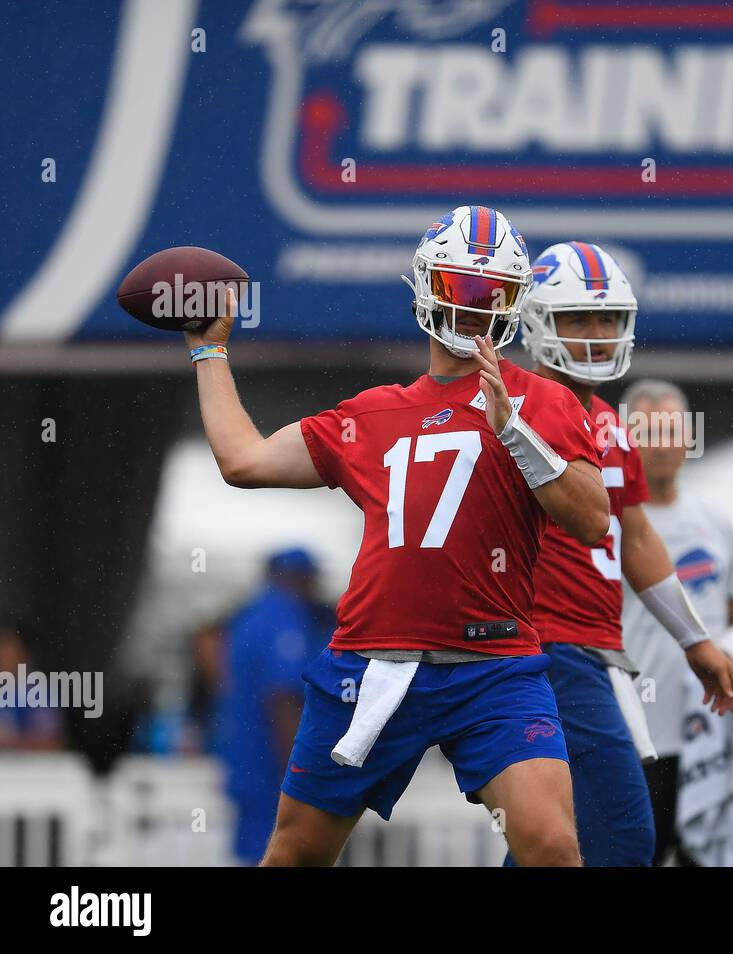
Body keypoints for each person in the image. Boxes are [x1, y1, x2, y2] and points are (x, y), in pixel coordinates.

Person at [184, 205, 609, 867]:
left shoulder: (542, 401)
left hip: (493, 667)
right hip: (372, 661)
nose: (474, 309)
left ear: (514, 303)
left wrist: (514, 433)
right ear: (428, 288)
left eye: (491, 294)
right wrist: (209, 350)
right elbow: (244, 460)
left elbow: (592, 519)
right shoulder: (374, 413)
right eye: (462, 290)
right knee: (294, 852)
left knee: (552, 844)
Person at [517, 244, 733, 866]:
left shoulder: (609, 422)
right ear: (537, 322)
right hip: (548, 647)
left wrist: (695, 640)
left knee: (560, 841)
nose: (597, 335)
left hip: (592, 648)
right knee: (620, 836)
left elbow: (635, 537)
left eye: (608, 318)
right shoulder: (518, 411)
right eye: (578, 319)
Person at [618, 379, 733, 866]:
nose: (660, 444)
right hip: (642, 733)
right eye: (648, 431)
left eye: (671, 429)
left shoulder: (714, 518)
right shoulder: (608, 522)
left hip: (714, 730)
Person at [215, 548, 329, 865]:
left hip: (247, 764)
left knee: (255, 855)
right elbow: (284, 699)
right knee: (282, 854)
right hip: (272, 770)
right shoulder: (283, 618)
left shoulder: (247, 617)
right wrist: (299, 773)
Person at [0, 622, 65, 751]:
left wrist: (12, 742)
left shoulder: (37, 692)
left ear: (23, 656)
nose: (4, 659)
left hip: (27, 768)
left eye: (9, 653)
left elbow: (53, 741)